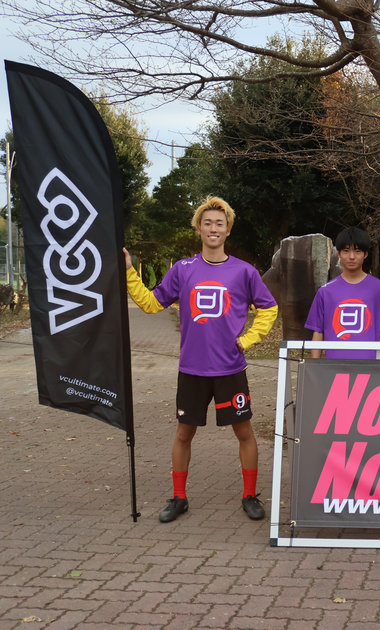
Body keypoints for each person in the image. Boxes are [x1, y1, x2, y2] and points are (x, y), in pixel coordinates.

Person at [123, 196, 278, 523]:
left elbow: (269, 307)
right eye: (207, 223)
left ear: (228, 230)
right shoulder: (183, 269)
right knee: (184, 434)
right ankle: (179, 498)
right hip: (192, 370)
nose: (213, 228)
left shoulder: (244, 271)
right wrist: (128, 273)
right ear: (199, 228)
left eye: (219, 223)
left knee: (244, 432)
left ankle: (249, 495)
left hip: (230, 369)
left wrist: (248, 339)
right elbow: (151, 304)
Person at [305, 227, 380, 359]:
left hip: (370, 366)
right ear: (338, 253)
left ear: (365, 254)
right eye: (346, 251)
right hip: (335, 366)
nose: (351, 257)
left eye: (357, 251)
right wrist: (315, 367)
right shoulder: (325, 291)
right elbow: (318, 332)